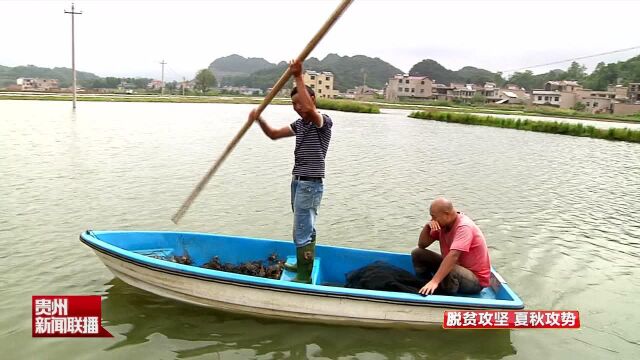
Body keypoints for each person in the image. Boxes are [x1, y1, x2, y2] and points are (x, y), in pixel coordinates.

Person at [249, 59, 333, 283]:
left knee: (301, 231)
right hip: (298, 181)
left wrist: (298, 75)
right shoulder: (300, 124)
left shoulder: (321, 121)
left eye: (301, 103)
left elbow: (311, 110)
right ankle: (301, 262)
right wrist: (259, 120)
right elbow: (275, 134)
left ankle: (304, 276)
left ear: (312, 100)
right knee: (305, 226)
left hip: (310, 183)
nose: (298, 107)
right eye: (293, 104)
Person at [411, 197, 491, 295]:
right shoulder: (443, 225)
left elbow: (454, 256)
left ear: (447, 214)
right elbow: (422, 245)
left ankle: (446, 294)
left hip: (475, 281)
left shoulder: (464, 227)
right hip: (457, 269)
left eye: (434, 217)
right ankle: (425, 284)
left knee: (450, 267)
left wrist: (435, 281)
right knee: (418, 253)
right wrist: (427, 227)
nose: (432, 220)